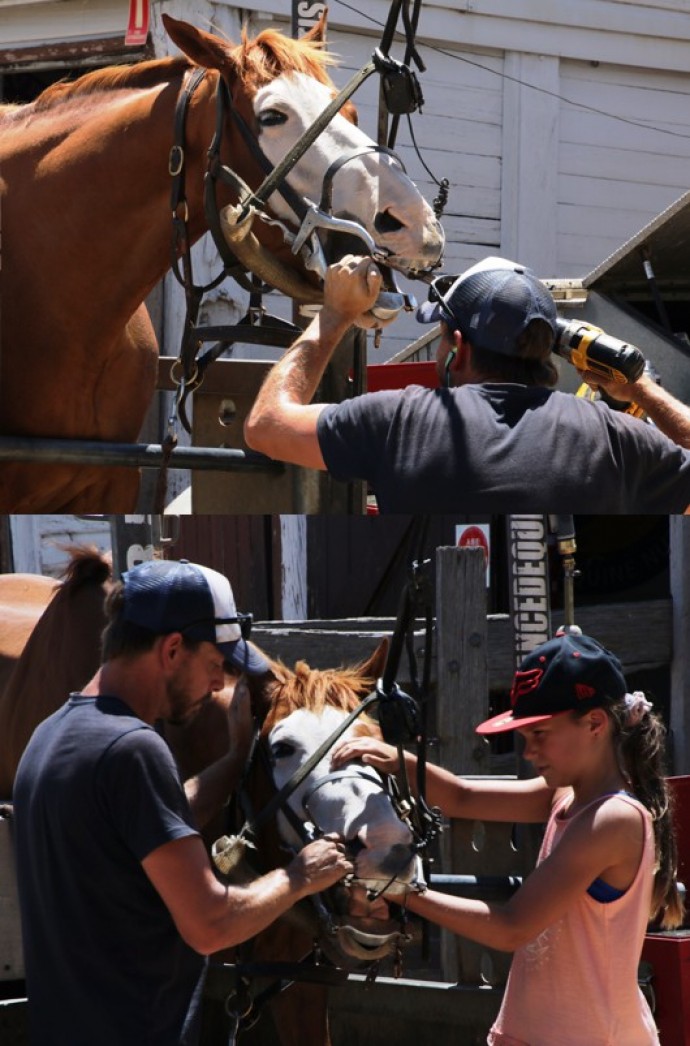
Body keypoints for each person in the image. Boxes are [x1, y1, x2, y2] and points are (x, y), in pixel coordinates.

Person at [12, 558, 353, 1046]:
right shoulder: (134, 750)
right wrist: (300, 874)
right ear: (173, 649)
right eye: (216, 665)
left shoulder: (53, 735)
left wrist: (237, 759)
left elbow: (149, 829)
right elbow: (211, 925)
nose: (219, 685)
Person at [331, 631, 684, 1046]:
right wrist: (398, 760)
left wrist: (398, 891)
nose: (528, 752)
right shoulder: (566, 795)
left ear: (594, 724)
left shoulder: (614, 819)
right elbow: (462, 797)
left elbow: (512, 928)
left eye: (539, 734)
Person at [244, 254, 690, 512]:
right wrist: (640, 390)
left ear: (459, 347)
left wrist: (336, 314)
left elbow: (266, 424)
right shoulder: (614, 437)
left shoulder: (402, 420)